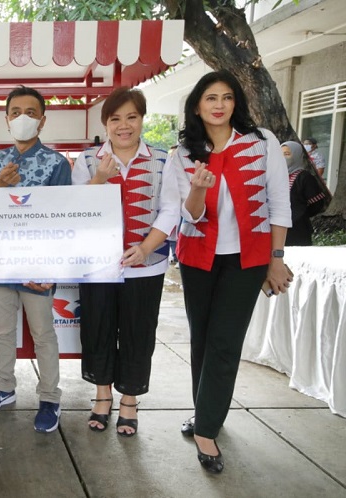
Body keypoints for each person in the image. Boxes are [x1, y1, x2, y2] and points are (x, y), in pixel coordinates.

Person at [171, 71, 292, 473]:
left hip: (248, 258)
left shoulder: (261, 143)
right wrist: (199, 189)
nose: (219, 104)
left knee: (225, 343)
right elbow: (190, 216)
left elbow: (279, 201)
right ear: (197, 106)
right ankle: (205, 413)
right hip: (198, 259)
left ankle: (206, 430)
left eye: (226, 97)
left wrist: (276, 258)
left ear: (235, 102)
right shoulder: (183, 153)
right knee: (202, 341)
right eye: (210, 98)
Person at [72, 87, 180, 436]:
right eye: (115, 118)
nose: (124, 125)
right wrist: (100, 179)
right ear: (105, 123)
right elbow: (75, 210)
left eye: (131, 117)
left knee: (138, 331)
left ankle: (129, 399)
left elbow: (170, 209)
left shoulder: (163, 158)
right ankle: (102, 396)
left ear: (142, 119)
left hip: (146, 265)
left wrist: (147, 248)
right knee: (98, 328)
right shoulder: (87, 160)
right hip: (98, 267)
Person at [0, 85, 73, 433]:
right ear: (6, 120)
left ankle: (49, 397)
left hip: (38, 266)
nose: (22, 119)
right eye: (16, 112)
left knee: (44, 333)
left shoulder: (57, 163)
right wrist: (0, 183)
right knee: (3, 331)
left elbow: (65, 217)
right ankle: (3, 388)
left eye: (31, 113)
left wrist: (50, 267)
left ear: (42, 121)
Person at [281, 141, 327, 246]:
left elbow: (317, 203)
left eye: (287, 154)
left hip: (298, 229)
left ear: (297, 155)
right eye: (281, 154)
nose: (283, 157)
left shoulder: (304, 177)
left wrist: (300, 213)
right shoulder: (276, 176)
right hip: (278, 228)